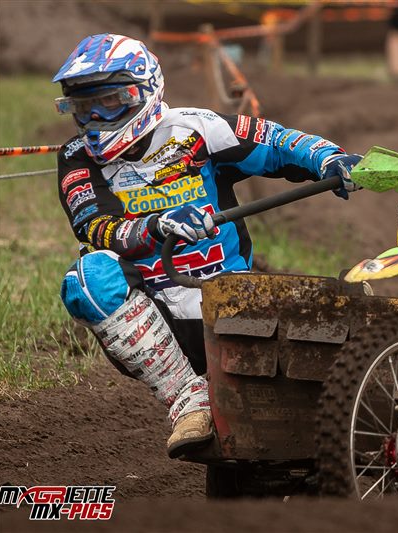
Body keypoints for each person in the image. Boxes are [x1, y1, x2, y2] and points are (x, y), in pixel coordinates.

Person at [54, 34, 362, 458]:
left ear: (143, 91)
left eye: (108, 101)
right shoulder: (77, 157)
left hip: (230, 300)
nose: (95, 117)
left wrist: (328, 157)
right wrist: (158, 225)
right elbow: (96, 227)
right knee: (87, 279)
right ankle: (189, 399)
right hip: (155, 316)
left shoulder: (195, 128)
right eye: (83, 106)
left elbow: (276, 141)